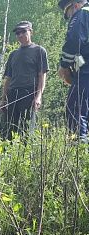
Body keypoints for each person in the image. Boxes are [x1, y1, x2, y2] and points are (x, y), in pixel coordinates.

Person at [0, 21, 48, 140]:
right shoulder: (13, 54)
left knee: (25, 130)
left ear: (31, 32)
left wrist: (38, 96)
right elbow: (8, 78)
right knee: (10, 129)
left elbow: (42, 76)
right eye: (17, 33)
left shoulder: (39, 51)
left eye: (23, 31)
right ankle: (9, 156)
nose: (20, 35)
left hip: (29, 94)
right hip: (12, 94)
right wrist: (3, 98)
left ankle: (25, 155)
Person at [58, 0, 89, 142]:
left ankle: (80, 148)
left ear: (74, 5)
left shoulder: (81, 14)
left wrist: (64, 66)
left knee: (74, 107)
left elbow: (74, 41)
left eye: (67, 14)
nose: (68, 17)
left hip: (86, 72)